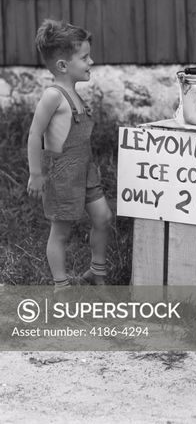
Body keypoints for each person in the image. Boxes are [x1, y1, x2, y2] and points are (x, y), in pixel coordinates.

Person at [27, 19, 112, 290]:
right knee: (61, 232)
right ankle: (61, 287)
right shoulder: (53, 96)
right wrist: (36, 174)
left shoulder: (75, 94)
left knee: (103, 218)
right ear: (63, 65)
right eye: (85, 57)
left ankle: (96, 272)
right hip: (62, 175)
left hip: (85, 170)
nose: (91, 61)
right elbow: (34, 134)